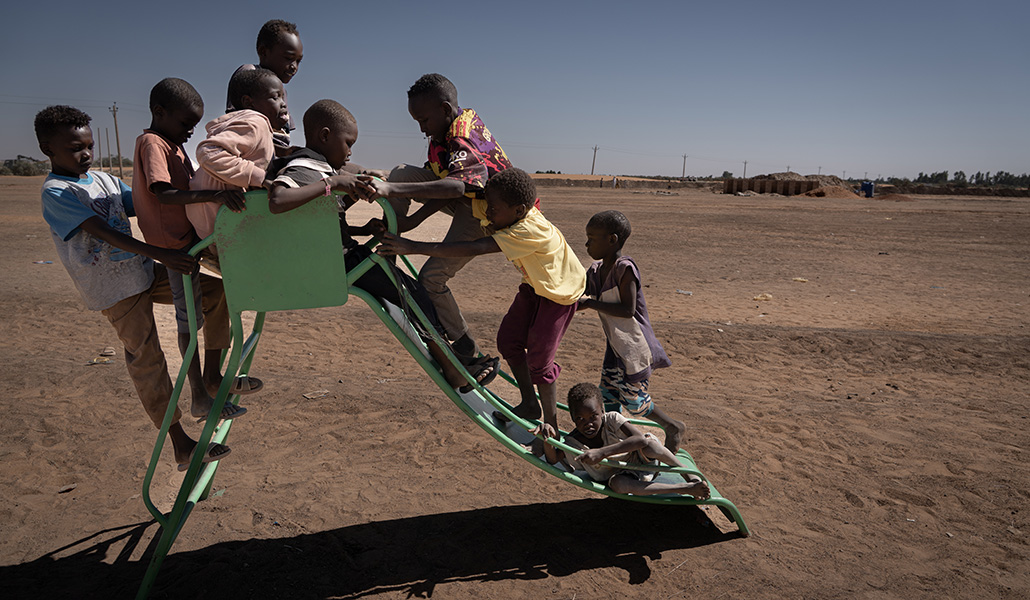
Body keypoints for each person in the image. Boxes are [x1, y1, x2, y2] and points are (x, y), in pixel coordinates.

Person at [35, 105, 239, 471]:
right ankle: (180, 443)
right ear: (47, 149)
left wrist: (200, 192)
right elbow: (104, 232)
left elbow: (148, 203)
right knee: (148, 359)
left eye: (89, 146)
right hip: (115, 291)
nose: (86, 154)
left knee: (215, 293)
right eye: (75, 148)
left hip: (142, 271)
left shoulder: (104, 180)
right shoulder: (57, 192)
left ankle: (210, 379)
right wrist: (163, 253)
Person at [264, 99, 500, 392]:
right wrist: (333, 184)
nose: (350, 152)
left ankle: (452, 357)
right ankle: (452, 367)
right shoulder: (305, 167)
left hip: (340, 256)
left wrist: (363, 228)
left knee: (408, 294)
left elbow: (321, 223)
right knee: (413, 295)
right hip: (339, 262)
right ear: (325, 136)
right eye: (348, 143)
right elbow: (278, 200)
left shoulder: (321, 168)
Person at [377, 168, 585, 451]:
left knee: (539, 360)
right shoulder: (512, 215)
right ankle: (529, 403)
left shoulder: (528, 230)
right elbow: (463, 200)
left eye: (494, 209)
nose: (488, 213)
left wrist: (412, 246)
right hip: (536, 287)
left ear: (518, 210)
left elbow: (474, 247)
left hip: (559, 295)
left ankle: (552, 428)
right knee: (508, 341)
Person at [365, 73, 514, 368]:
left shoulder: (462, 136)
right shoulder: (442, 134)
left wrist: (392, 191)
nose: (421, 129)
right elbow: (446, 183)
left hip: (486, 212)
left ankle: (465, 344)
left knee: (431, 278)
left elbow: (457, 187)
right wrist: (408, 218)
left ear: (445, 109)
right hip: (467, 199)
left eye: (424, 120)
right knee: (401, 172)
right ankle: (389, 246)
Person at [132, 77, 263, 414]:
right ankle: (199, 396)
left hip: (189, 240)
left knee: (220, 296)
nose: (191, 132)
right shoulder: (153, 143)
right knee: (188, 320)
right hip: (175, 249)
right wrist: (214, 195)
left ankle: (213, 377)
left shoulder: (172, 144)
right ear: (159, 112)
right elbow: (164, 194)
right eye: (185, 123)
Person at [578, 209, 685, 451]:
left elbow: (628, 309)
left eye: (592, 238)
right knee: (608, 394)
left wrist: (590, 304)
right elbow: (579, 291)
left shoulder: (624, 268)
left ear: (612, 240)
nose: (586, 244)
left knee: (634, 401)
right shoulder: (595, 271)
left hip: (636, 346)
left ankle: (672, 426)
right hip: (616, 347)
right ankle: (613, 439)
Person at [545, 383, 709, 497]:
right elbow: (553, 459)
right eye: (580, 419)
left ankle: (688, 474)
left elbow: (640, 440)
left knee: (650, 445)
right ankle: (684, 488)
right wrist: (547, 437)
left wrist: (601, 453)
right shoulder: (573, 442)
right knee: (618, 485)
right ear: (572, 418)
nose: (588, 423)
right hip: (624, 477)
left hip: (642, 459)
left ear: (602, 411)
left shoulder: (612, 419)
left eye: (593, 416)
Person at [188, 68, 288, 241]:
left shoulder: (251, 123)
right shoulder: (255, 121)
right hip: (216, 223)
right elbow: (208, 151)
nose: (283, 104)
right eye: (275, 97)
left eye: (283, 97)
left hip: (208, 221)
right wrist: (261, 178)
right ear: (249, 102)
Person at [225, 19, 303, 150]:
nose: (294, 66)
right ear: (263, 52)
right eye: (288, 58)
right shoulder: (250, 73)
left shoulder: (282, 92)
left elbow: (282, 135)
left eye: (298, 61)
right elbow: (241, 128)